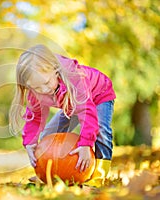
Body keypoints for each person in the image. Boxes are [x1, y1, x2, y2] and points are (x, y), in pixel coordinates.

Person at [9, 44, 116, 187]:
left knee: (101, 130)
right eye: (36, 87)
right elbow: (35, 118)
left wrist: (85, 144)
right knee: (49, 134)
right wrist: (30, 143)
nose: (44, 90)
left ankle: (100, 174)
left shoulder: (75, 78)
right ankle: (49, 172)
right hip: (71, 103)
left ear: (55, 70)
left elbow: (86, 111)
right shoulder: (36, 92)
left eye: (46, 83)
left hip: (99, 95)